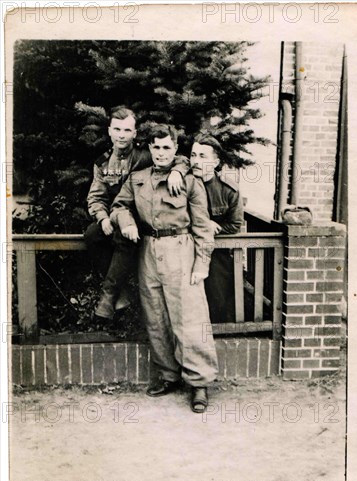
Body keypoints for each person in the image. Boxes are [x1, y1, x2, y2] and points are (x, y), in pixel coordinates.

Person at [111, 124, 218, 413]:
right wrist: (127, 221)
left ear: (175, 149)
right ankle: (169, 375)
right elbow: (118, 206)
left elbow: (203, 227)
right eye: (155, 147)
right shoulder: (137, 179)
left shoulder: (190, 181)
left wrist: (202, 264)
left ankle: (199, 383)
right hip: (148, 251)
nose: (160, 153)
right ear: (149, 149)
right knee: (155, 316)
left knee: (189, 318)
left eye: (166, 147)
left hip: (180, 251)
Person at [84, 106, 189, 319]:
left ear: (134, 133)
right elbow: (96, 196)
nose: (122, 135)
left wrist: (178, 171)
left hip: (142, 216)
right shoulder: (102, 162)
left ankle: (109, 295)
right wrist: (102, 217)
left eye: (127, 130)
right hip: (116, 215)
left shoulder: (145, 154)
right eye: (117, 129)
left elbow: (175, 156)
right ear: (109, 131)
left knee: (125, 237)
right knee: (92, 235)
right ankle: (119, 292)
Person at [190, 133, 244, 323]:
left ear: (215, 162)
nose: (195, 161)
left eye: (202, 156)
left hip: (216, 254)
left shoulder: (228, 190)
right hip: (185, 250)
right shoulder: (181, 184)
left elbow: (236, 225)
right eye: (193, 155)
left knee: (217, 300)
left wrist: (216, 227)